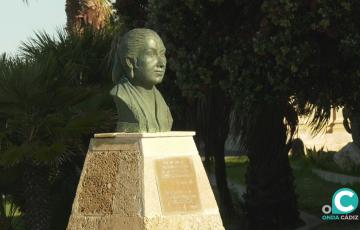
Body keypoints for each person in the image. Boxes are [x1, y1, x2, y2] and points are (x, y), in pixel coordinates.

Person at [110, 28, 173, 132]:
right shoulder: (122, 95)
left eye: (162, 54)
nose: (162, 63)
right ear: (130, 62)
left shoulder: (160, 100)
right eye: (151, 54)